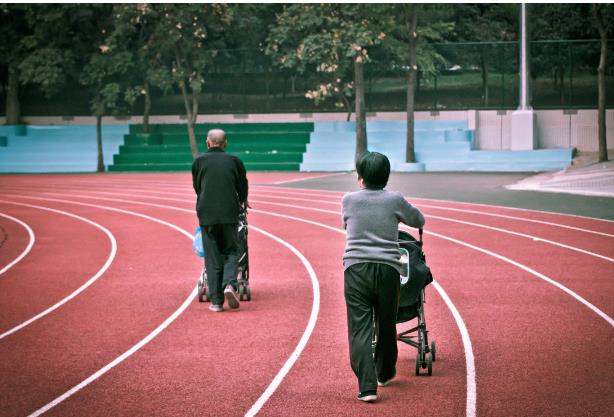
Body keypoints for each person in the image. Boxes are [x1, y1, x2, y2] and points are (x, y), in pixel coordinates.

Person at [341, 151, 425, 402]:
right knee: (386, 322)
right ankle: (385, 373)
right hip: (389, 268)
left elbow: (345, 224)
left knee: (359, 328)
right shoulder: (395, 200)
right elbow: (418, 220)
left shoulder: (349, 200)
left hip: (356, 268)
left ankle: (367, 387)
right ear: (387, 177)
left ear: (360, 178)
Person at [192, 128, 248, 312]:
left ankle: (216, 302)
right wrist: (242, 201)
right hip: (229, 212)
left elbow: (197, 187)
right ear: (225, 143)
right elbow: (242, 186)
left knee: (212, 256)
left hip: (207, 213)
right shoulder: (234, 161)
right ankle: (229, 284)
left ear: (208, 142)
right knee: (231, 250)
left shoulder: (199, 161)